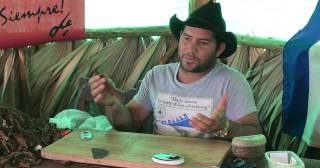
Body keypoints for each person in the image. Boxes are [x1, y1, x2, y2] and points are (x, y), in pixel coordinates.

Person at [89, 1, 261, 139]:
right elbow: (129, 123)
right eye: (186, 39)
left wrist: (225, 127)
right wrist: (113, 104)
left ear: (219, 49)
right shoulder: (157, 75)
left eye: (203, 43)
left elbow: (255, 134)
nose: (190, 50)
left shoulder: (232, 82)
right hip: (159, 165)